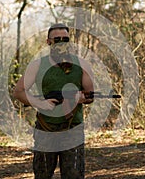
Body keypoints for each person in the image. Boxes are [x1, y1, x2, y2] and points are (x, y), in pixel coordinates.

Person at [13, 23, 94, 179]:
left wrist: (80, 99)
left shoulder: (82, 64)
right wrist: (40, 103)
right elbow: (18, 92)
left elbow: (90, 95)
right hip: (45, 129)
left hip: (73, 129)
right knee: (42, 174)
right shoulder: (37, 65)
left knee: (74, 175)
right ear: (48, 41)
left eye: (65, 38)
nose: (61, 42)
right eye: (57, 39)